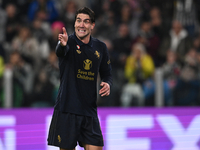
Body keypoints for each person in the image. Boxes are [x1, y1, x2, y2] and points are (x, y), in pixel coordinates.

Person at [47, 7, 112, 150]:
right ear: (74, 23)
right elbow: (60, 51)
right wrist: (62, 45)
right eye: (79, 21)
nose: (82, 25)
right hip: (67, 110)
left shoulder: (100, 47)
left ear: (92, 25)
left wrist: (107, 83)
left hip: (89, 112)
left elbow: (107, 73)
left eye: (86, 22)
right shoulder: (67, 42)